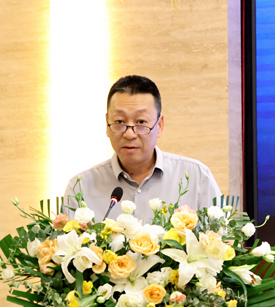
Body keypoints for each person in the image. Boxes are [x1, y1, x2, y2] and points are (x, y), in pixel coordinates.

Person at [64, 75, 221, 222]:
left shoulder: (197, 178)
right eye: (119, 121)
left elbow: (222, 238)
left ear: (159, 125)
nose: (129, 134)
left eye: (141, 122)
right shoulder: (80, 188)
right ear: (107, 124)